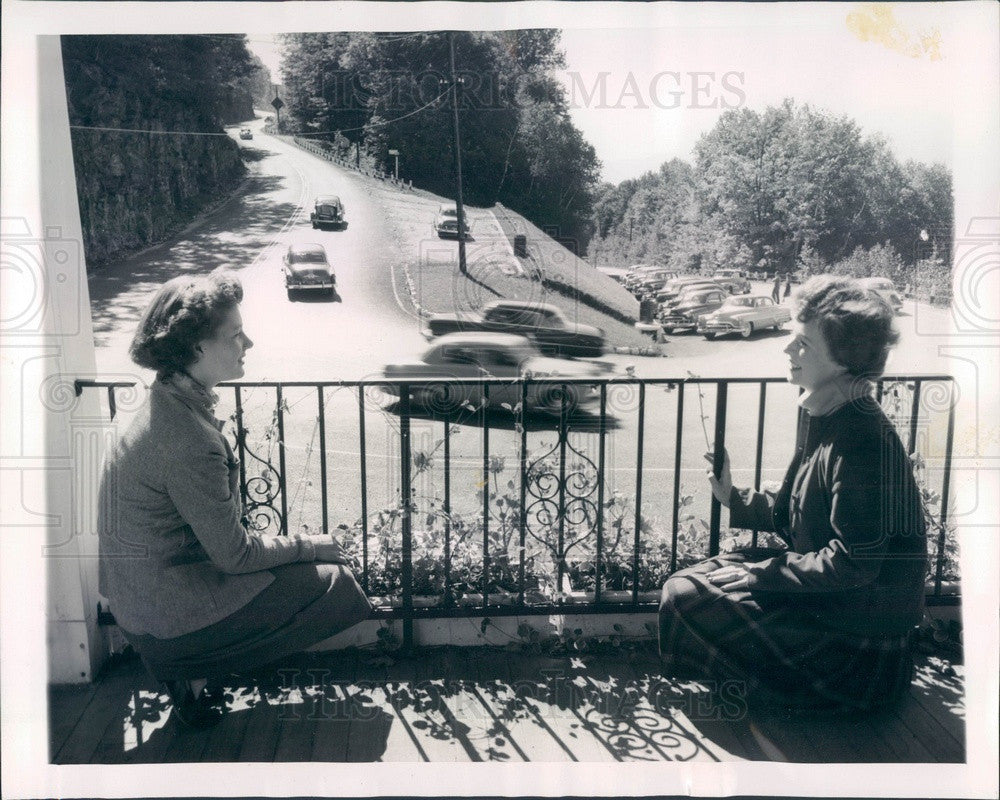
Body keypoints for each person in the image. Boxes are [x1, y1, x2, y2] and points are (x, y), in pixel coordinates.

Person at [98, 270, 371, 728]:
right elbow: (236, 555)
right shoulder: (187, 438)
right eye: (236, 334)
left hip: (135, 607)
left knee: (295, 569)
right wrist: (314, 544)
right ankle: (193, 665)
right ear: (199, 348)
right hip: (163, 622)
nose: (249, 343)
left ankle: (192, 672)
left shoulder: (155, 403)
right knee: (333, 583)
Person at [658, 276, 927, 712]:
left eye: (803, 343)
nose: (787, 350)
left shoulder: (862, 437)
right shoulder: (832, 411)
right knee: (684, 585)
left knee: (689, 598)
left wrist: (759, 575)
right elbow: (800, 509)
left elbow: (856, 562)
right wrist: (735, 497)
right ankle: (769, 682)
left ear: (843, 360)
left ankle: (788, 691)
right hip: (837, 602)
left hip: (865, 645)